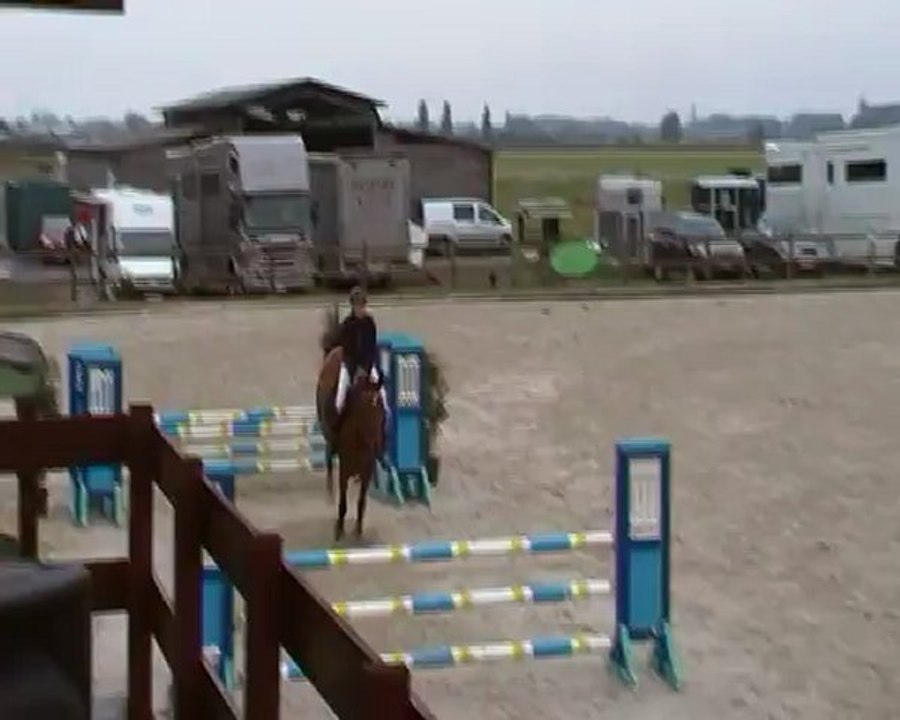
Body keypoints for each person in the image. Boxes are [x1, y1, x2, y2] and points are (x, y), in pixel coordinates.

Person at [334, 286, 388, 421]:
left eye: (363, 305)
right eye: (359, 306)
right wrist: (356, 368)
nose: (362, 309)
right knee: (340, 398)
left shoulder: (369, 323)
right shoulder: (347, 325)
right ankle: (336, 424)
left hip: (367, 364)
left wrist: (366, 367)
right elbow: (347, 349)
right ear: (353, 306)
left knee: (383, 396)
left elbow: (371, 346)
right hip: (350, 364)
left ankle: (385, 421)